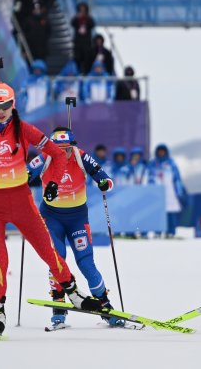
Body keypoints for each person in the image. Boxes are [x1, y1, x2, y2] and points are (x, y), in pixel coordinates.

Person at [0, 81, 105, 337]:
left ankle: (73, 294)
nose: (0, 111)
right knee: (0, 262)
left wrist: (54, 183)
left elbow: (58, 154)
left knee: (49, 252)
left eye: (5, 105)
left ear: (13, 105)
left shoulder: (24, 129)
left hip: (22, 203)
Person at [27, 127, 121, 328]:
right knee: (57, 259)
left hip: (77, 219)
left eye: (67, 149)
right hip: (51, 218)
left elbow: (105, 178)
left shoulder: (80, 156)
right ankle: (59, 305)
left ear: (73, 147)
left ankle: (104, 304)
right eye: (57, 149)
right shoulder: (44, 157)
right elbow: (24, 176)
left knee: (86, 263)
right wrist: (22, 182)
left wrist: (104, 183)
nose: (63, 153)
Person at [147, 144, 187, 237]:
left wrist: (179, 191)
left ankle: (171, 232)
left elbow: (177, 179)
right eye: (159, 151)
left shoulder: (171, 164)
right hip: (157, 193)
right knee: (157, 213)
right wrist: (150, 190)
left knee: (170, 213)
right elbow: (149, 178)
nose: (161, 153)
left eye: (163, 151)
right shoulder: (153, 164)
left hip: (170, 193)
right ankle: (157, 232)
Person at [71, 3, 96, 75]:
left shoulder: (88, 18)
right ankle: (78, 71)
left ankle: (86, 72)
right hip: (78, 42)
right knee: (77, 57)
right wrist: (77, 17)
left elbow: (92, 25)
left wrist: (87, 18)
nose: (82, 10)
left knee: (86, 57)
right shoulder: (76, 18)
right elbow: (72, 23)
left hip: (86, 42)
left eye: (83, 9)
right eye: (81, 9)